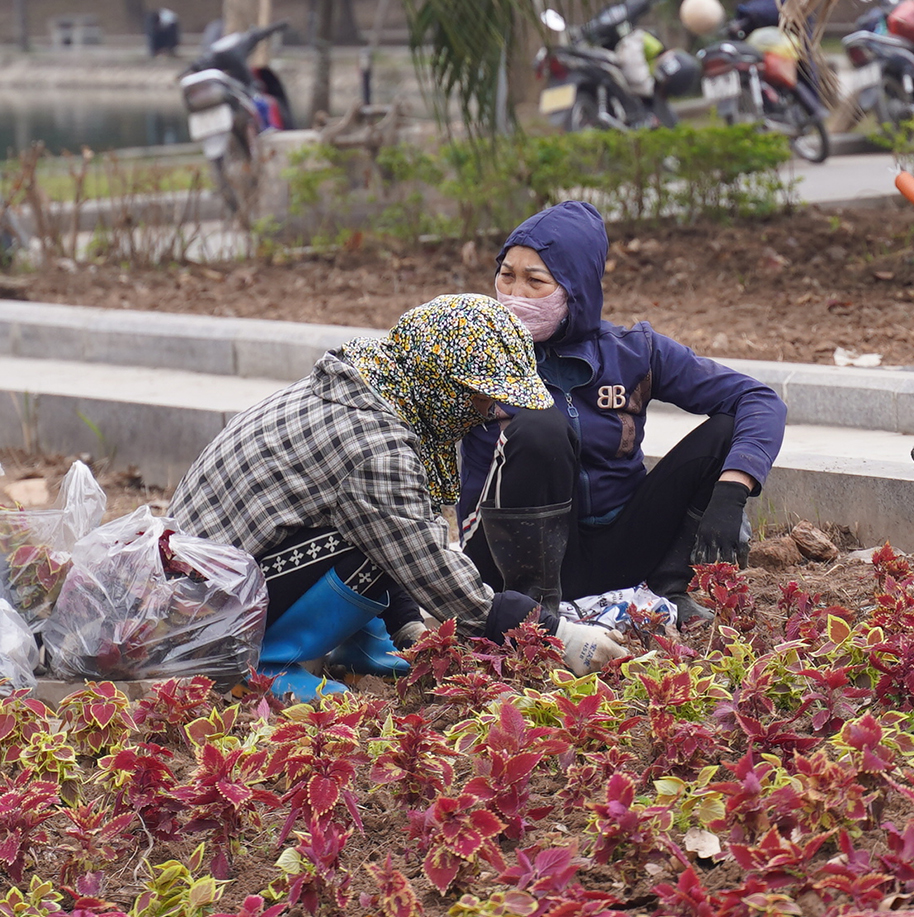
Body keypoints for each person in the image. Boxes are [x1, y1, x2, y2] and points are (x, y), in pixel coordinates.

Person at [170, 294, 630, 701]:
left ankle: (361, 643)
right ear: (441, 382)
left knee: (380, 526)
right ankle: (264, 668)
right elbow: (426, 563)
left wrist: (406, 625)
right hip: (209, 621)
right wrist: (557, 634)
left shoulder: (370, 389)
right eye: (480, 396)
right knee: (388, 535)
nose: (490, 411)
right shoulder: (373, 446)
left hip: (205, 589)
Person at [460, 200, 788, 620]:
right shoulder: (472, 359)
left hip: (619, 550)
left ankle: (669, 589)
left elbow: (758, 401)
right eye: (506, 276)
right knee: (540, 428)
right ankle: (534, 614)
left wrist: (732, 491)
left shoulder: (634, 352)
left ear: (575, 287)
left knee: (725, 430)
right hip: (506, 560)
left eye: (534, 281)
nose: (514, 295)